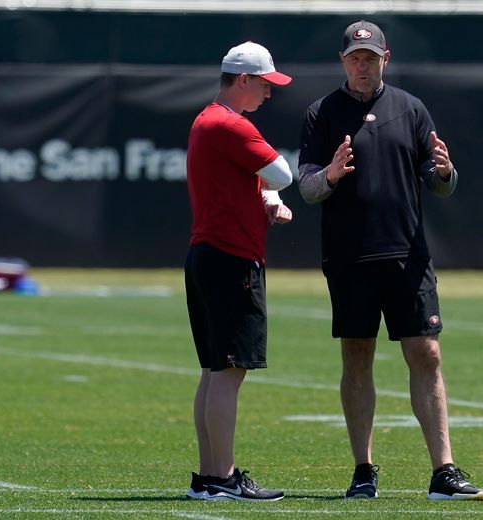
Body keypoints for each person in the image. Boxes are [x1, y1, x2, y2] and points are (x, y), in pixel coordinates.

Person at [298, 20, 483, 501]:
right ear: (343, 62)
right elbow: (306, 188)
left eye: (371, 57)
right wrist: (331, 175)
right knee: (357, 356)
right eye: (355, 58)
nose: (363, 66)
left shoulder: (411, 109)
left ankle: (444, 472)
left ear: (387, 58)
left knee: (427, 352)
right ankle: (363, 471)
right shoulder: (321, 114)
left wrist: (447, 172)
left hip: (408, 254)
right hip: (349, 257)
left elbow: (439, 182)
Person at [184, 41, 293, 502]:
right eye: (265, 85)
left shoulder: (206, 120)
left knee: (214, 370)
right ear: (244, 81)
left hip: (209, 255)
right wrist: (271, 189)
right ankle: (222, 478)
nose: (268, 95)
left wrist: (263, 197)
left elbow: (247, 183)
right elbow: (283, 172)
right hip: (230, 258)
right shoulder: (230, 123)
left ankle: (212, 475)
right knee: (229, 371)